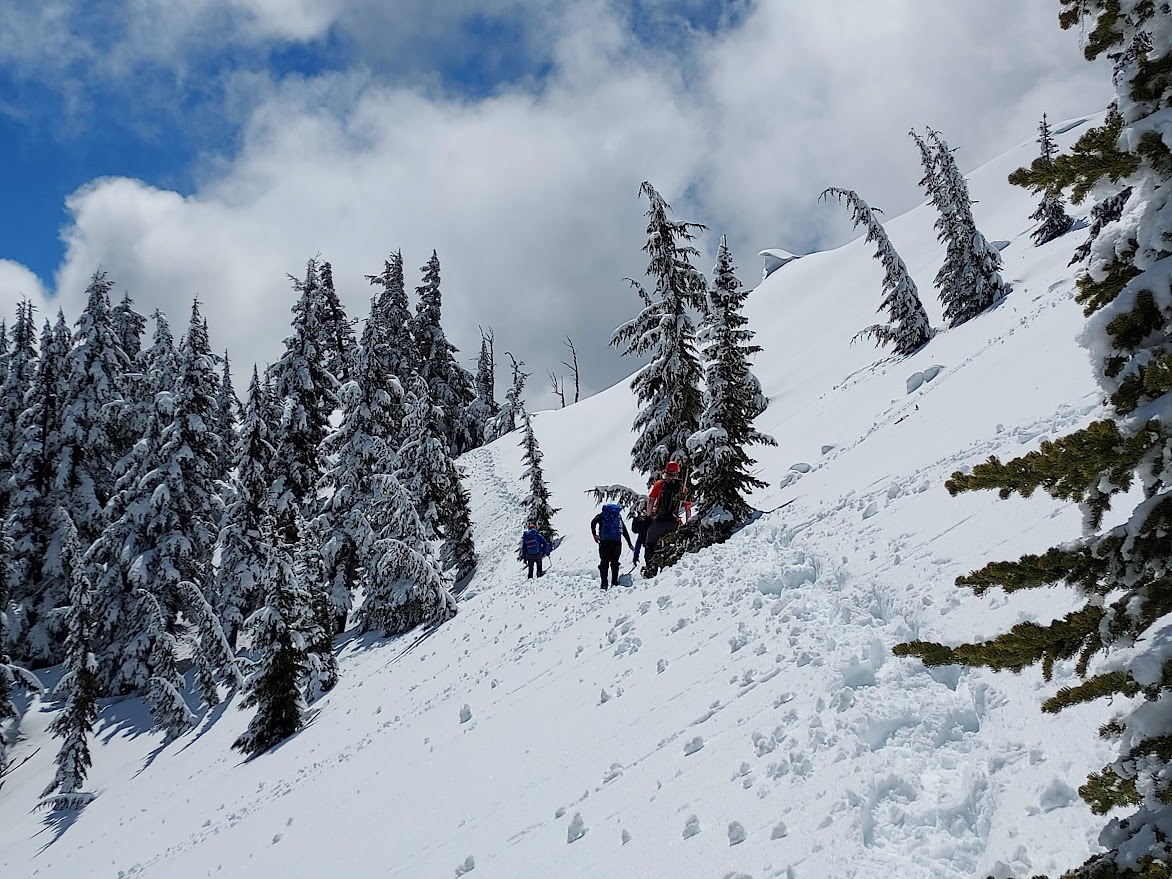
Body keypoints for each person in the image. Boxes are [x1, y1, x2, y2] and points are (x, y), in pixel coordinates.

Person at [643, 461, 686, 572]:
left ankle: (650, 567)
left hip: (659, 520)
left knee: (650, 543)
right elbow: (688, 508)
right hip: (674, 522)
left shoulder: (659, 484)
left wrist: (648, 515)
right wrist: (686, 523)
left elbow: (651, 501)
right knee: (670, 544)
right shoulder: (682, 487)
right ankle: (668, 568)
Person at [591, 503, 634, 589]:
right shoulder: (617, 517)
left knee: (604, 563)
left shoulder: (601, 516)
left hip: (605, 542)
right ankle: (614, 583)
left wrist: (594, 534)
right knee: (615, 563)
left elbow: (593, 523)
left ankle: (604, 584)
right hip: (616, 543)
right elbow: (624, 530)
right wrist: (629, 543)